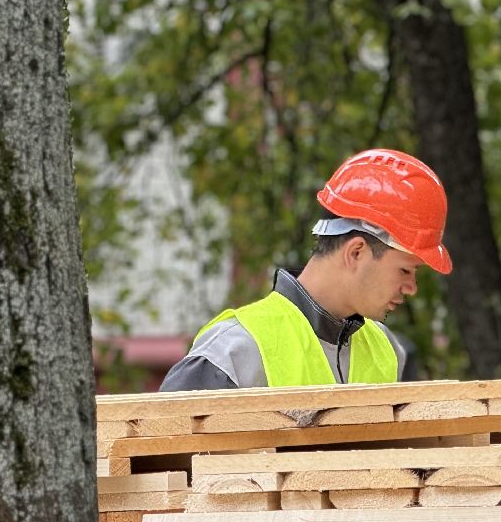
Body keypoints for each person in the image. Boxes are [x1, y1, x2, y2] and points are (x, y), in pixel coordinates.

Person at [159, 148, 452, 391]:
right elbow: (162, 455)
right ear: (356, 252)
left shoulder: (391, 352)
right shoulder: (234, 352)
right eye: (405, 271)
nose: (411, 287)